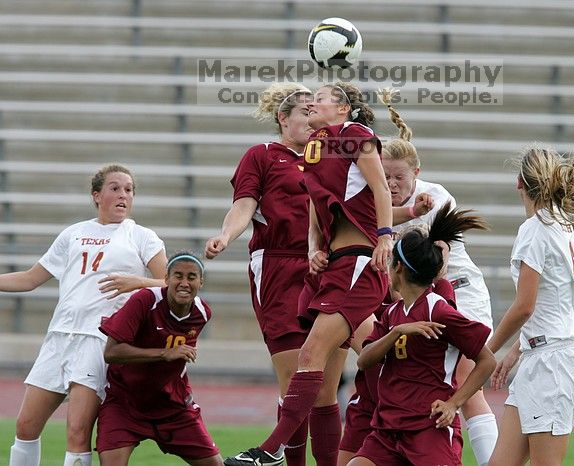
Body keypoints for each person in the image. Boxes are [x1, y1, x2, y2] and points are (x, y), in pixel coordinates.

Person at [225, 82, 393, 466]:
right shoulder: (315, 151)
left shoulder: (354, 135)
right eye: (307, 102)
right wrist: (314, 246)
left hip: (356, 262)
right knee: (335, 366)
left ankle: (270, 450)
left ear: (344, 108)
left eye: (320, 99)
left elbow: (381, 189)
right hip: (327, 265)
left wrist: (385, 236)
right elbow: (321, 204)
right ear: (282, 120)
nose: (314, 104)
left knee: (320, 358)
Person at [206, 83, 339, 466]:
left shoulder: (332, 154)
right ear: (282, 118)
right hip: (281, 267)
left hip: (329, 266)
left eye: (317, 112)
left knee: (326, 390)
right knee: (295, 379)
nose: (313, 120)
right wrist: (226, 235)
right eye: (304, 113)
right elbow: (245, 204)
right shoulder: (262, 155)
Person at [367, 88, 499, 466]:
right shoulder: (375, 203)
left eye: (399, 177)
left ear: (417, 174)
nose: (391, 185)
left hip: (455, 294)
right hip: (415, 300)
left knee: (464, 385)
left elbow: (438, 264)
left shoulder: (435, 197)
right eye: (385, 177)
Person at [2, 164, 167, 466]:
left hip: (98, 341)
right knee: (25, 426)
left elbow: (171, 283)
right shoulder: (74, 233)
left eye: (129, 190)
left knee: (77, 433)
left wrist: (138, 281)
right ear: (96, 195)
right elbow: (30, 278)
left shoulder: (142, 236)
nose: (123, 195)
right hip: (59, 337)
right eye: (115, 188)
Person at [348, 203, 496, 466]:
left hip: (428, 429)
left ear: (399, 269)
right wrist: (397, 333)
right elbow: (364, 360)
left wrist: (453, 404)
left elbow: (487, 361)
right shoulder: (393, 313)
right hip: (388, 430)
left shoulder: (438, 310)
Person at [486, 144, 574, 466]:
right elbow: (552, 304)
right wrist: (516, 351)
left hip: (553, 365)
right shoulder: (561, 223)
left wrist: (487, 349)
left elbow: (526, 305)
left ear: (519, 184)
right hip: (542, 357)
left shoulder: (534, 229)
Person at [96, 252, 223, 466]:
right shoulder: (145, 299)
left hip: (173, 407)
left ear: (201, 282)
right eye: (178, 276)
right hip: (125, 403)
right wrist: (164, 353)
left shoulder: (202, 313)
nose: (184, 283)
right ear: (166, 279)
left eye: (191, 277)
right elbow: (111, 352)